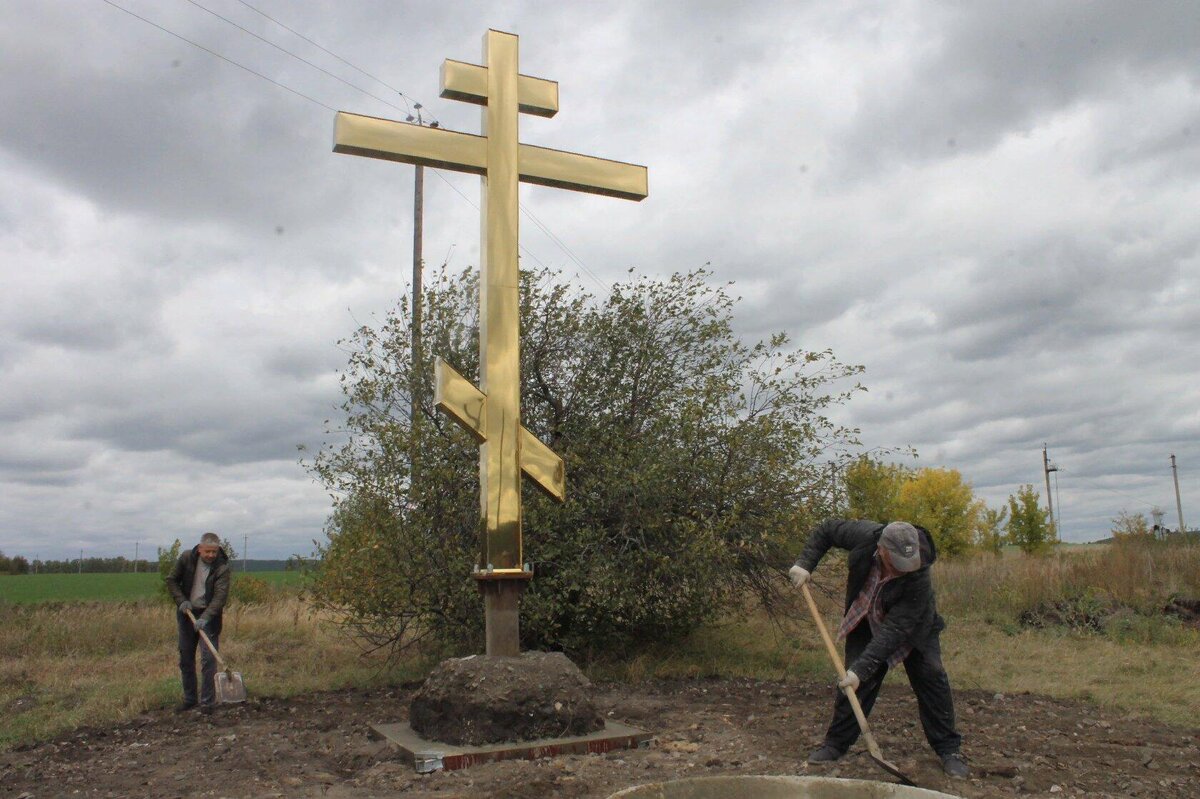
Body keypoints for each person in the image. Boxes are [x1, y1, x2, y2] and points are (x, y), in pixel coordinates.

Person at [790, 520, 969, 779]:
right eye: (897, 563)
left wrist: (862, 669)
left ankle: (948, 750)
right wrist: (805, 563)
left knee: (931, 675)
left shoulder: (918, 573)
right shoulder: (865, 536)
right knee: (854, 682)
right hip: (866, 613)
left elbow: (895, 630)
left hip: (913, 624)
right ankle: (836, 744)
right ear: (882, 549)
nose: (904, 570)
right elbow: (826, 530)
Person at [165, 532, 231, 715]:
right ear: (200, 549)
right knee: (186, 658)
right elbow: (171, 580)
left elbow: (220, 597)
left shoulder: (222, 567)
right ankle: (190, 700)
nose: (211, 555)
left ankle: (207, 703)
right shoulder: (186, 558)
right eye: (208, 551)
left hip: (209, 616)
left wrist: (206, 617)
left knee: (209, 660)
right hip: (187, 613)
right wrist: (181, 601)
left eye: (214, 552)